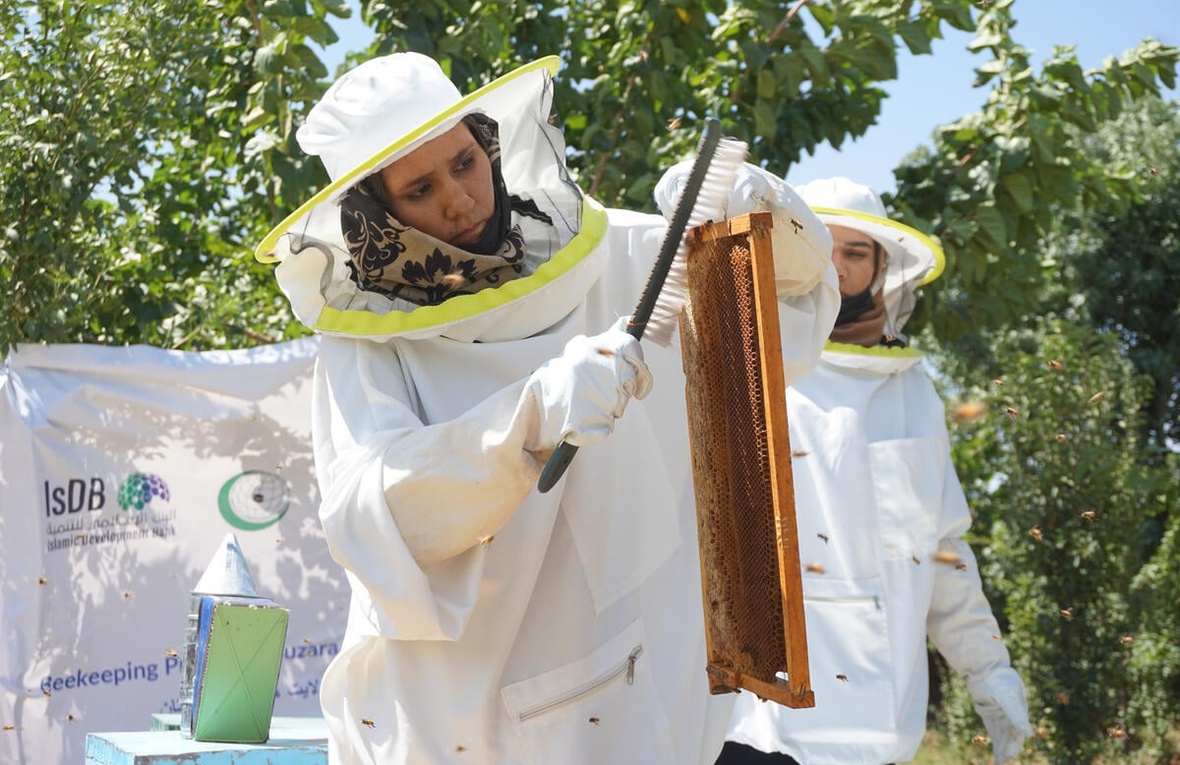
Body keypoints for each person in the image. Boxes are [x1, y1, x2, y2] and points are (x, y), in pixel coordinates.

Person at [255, 51, 840, 765]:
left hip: (647, 690)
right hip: (460, 723)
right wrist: (525, 420)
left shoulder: (620, 256)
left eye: (465, 163)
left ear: (489, 144)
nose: (459, 198)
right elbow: (374, 516)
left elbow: (792, 321)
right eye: (420, 188)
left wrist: (764, 214)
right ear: (376, 211)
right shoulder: (367, 340)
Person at [711, 178, 1034, 765]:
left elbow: (942, 551)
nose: (836, 267)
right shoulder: (750, 368)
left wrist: (990, 670)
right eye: (824, 246)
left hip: (880, 727)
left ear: (882, 267)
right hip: (758, 728)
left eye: (856, 253)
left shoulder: (913, 390)